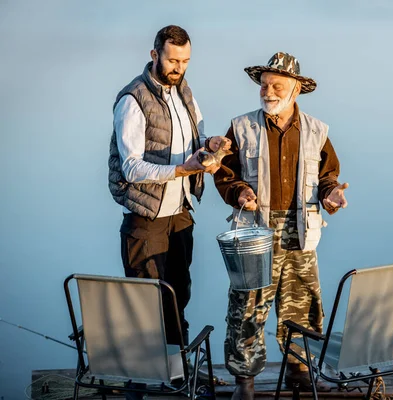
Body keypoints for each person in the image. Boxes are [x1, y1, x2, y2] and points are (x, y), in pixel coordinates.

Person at [213, 52, 349, 399]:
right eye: (264, 85)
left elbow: (328, 175)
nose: (268, 92)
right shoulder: (241, 127)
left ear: (296, 90)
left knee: (302, 304)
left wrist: (332, 195)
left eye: (277, 85)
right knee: (247, 305)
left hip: (301, 231)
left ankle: (299, 372)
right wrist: (240, 191)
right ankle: (245, 380)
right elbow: (225, 173)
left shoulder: (317, 131)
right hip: (256, 231)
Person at [108, 25, 229, 346]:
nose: (179, 68)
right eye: (173, 61)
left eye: (185, 61)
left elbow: (196, 140)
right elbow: (131, 168)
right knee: (148, 303)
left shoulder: (184, 92)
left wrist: (212, 143)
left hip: (179, 213)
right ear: (154, 55)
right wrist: (181, 169)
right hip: (145, 220)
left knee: (179, 294)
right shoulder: (133, 99)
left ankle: (179, 370)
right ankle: (147, 377)